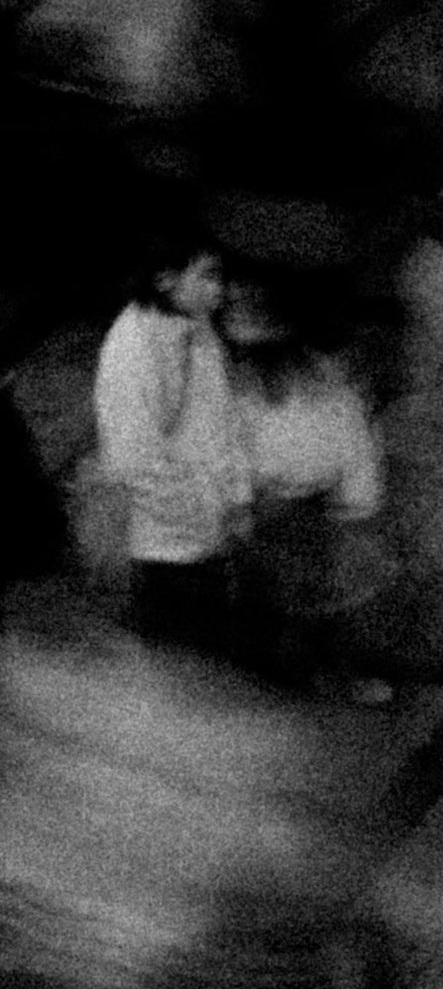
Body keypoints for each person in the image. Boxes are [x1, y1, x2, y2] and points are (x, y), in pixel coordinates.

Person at [223, 273, 398, 703]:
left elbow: (352, 441)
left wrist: (357, 508)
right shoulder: (238, 391)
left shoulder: (327, 385)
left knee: (318, 601)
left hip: (306, 509)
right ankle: (285, 672)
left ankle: (322, 672)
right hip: (269, 509)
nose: (255, 363)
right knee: (282, 601)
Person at [89, 240, 255, 670]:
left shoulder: (195, 329)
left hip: (207, 534)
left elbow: (222, 419)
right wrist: (198, 515)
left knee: (213, 663)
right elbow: (133, 459)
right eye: (207, 275)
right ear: (166, 280)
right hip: (170, 548)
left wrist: (234, 501)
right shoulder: (133, 349)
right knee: (184, 670)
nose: (221, 287)